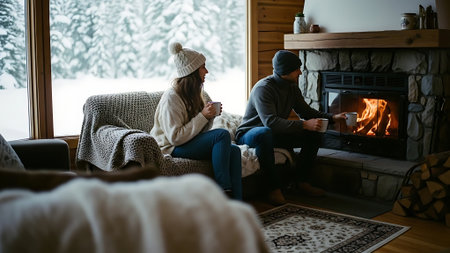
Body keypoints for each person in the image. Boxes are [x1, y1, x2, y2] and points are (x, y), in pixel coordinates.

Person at [235, 50, 346, 205]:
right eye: (296, 69)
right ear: (285, 71)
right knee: (265, 132)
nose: (300, 72)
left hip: (273, 133)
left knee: (314, 134)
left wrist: (332, 118)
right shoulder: (264, 88)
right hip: (251, 133)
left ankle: (302, 182)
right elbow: (271, 122)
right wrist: (303, 124)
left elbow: (306, 111)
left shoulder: (292, 87)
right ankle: (273, 189)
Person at [150, 42, 242, 200]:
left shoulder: (196, 93)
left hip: (186, 142)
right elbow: (175, 138)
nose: (207, 71)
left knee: (234, 151)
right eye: (203, 67)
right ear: (192, 71)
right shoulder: (172, 98)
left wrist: (209, 117)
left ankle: (237, 204)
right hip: (170, 147)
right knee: (222, 135)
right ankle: (222, 195)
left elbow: (201, 133)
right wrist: (203, 116)